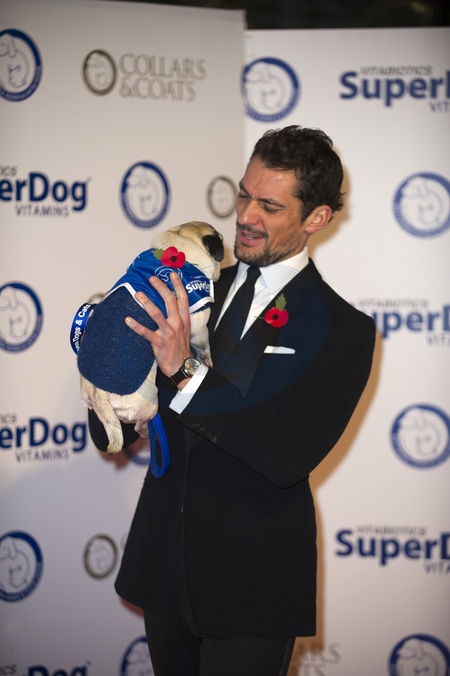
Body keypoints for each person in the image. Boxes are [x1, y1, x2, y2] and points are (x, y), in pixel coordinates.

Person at [88, 125, 376, 676]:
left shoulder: (343, 329)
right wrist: (106, 363)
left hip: (253, 583)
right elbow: (112, 432)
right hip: (163, 566)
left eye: (270, 205)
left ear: (316, 217)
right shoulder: (186, 288)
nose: (245, 216)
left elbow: (288, 453)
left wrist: (185, 372)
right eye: (244, 195)